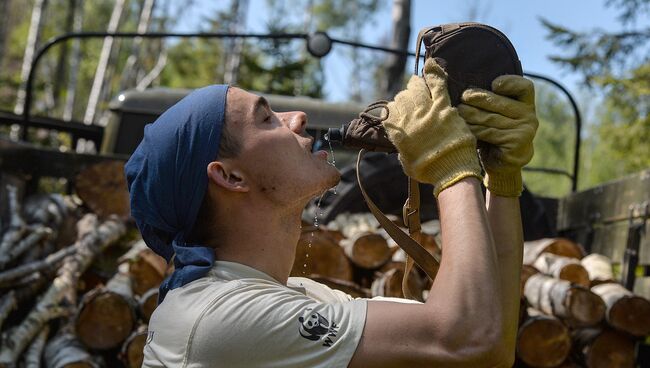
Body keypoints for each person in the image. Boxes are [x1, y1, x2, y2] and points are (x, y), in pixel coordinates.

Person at [125, 58, 538, 368]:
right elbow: (466, 337)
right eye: (267, 118)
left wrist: (501, 180)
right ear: (231, 176)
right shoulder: (218, 318)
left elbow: (489, 344)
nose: (297, 118)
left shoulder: (297, 295)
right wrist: (449, 162)